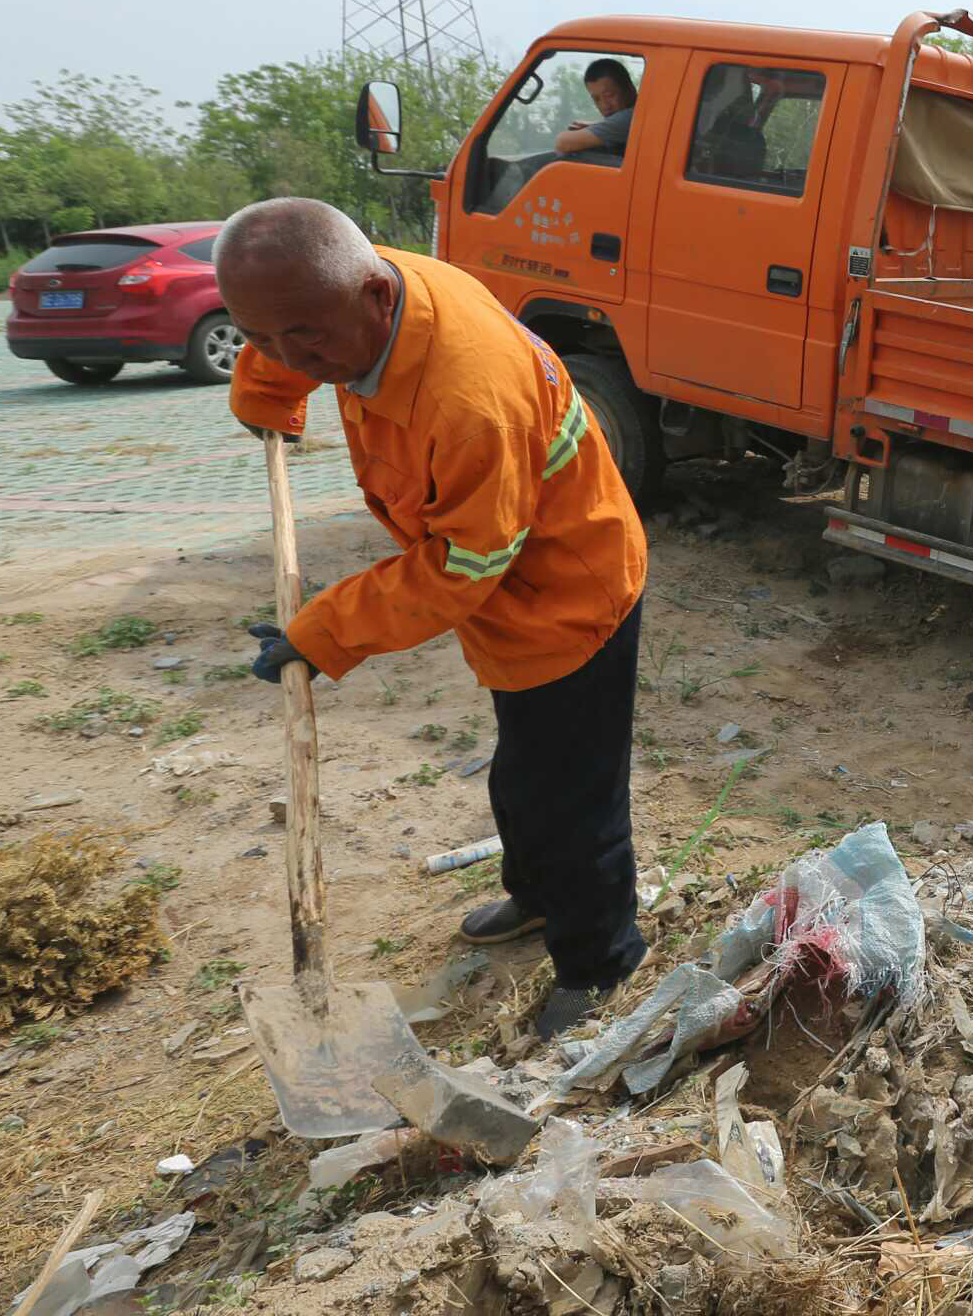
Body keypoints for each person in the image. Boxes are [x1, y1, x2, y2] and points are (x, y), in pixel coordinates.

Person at [216, 198, 650, 1039]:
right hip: (501, 587)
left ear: (376, 298)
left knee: (572, 799)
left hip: (565, 595)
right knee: (521, 771)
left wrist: (323, 629)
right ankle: (534, 897)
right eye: (259, 339)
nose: (289, 355)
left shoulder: (466, 398)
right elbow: (286, 319)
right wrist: (272, 389)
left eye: (304, 341)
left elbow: (464, 565)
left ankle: (600, 959)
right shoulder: (343, 290)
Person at [555, 58, 637, 157]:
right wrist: (597, 126)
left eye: (609, 95)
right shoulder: (638, 118)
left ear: (630, 89)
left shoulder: (631, 117)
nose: (604, 106)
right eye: (596, 99)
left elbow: (563, 142)